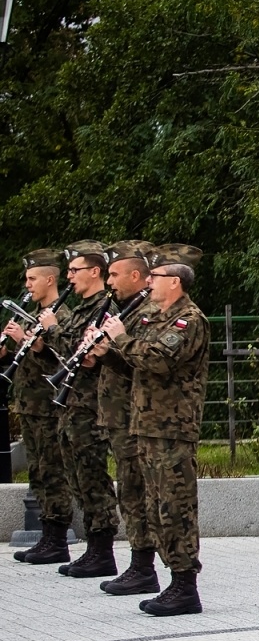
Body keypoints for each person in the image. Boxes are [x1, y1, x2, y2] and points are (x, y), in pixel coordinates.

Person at [101, 244, 210, 616]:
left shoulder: (188, 320)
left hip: (172, 428)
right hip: (146, 425)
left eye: (156, 277)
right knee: (155, 505)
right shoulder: (157, 317)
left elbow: (159, 361)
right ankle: (168, 579)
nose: (149, 282)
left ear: (174, 282)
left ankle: (184, 586)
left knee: (175, 507)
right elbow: (137, 368)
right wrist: (108, 353)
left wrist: (119, 338)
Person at [91, 240, 160, 595]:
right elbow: (125, 364)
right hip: (120, 415)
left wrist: (116, 342)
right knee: (130, 492)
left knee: (136, 492)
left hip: (139, 416)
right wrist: (102, 354)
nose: (109, 281)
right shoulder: (125, 309)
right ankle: (140, 563)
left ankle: (144, 566)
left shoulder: (146, 312)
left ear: (137, 275)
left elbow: (149, 364)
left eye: (115, 273)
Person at [51, 242, 122, 578]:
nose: (69, 277)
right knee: (77, 476)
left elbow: (77, 347)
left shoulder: (104, 306)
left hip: (91, 406)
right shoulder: (82, 308)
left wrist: (51, 330)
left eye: (75, 270)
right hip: (72, 403)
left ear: (95, 271)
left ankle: (103, 550)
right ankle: (93, 548)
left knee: (93, 477)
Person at [6, 249, 73, 564]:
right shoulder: (28, 315)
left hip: (49, 406)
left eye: (32, 278)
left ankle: (57, 536)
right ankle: (47, 536)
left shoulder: (61, 316)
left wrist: (25, 341)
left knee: (52, 470)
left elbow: (64, 358)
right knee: (37, 471)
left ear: (49, 280)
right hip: (29, 405)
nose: (27, 284)